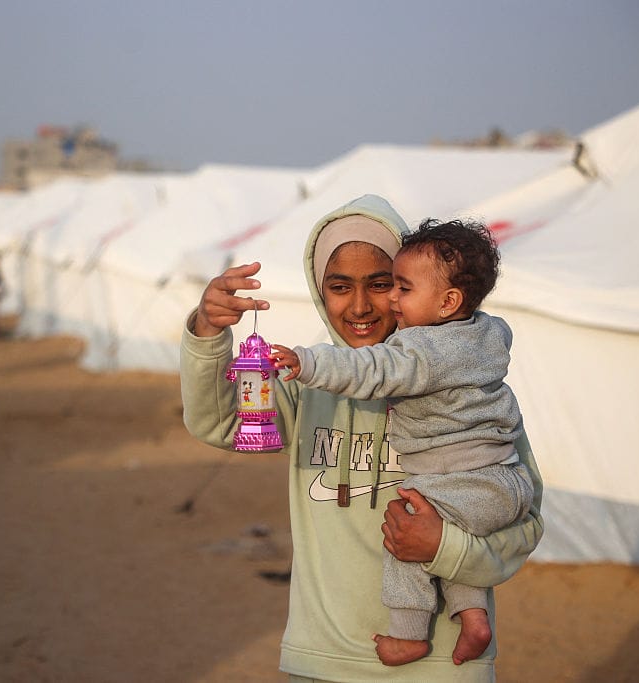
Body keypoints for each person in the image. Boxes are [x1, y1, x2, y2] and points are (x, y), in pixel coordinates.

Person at [180, 194, 544, 681]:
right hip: (323, 656)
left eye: (380, 284)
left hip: (442, 665)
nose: (359, 305)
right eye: (338, 286)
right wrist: (207, 332)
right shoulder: (307, 385)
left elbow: (525, 518)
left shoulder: (470, 393)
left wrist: (445, 547)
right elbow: (218, 422)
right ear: (319, 291)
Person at [270, 218, 534, 668]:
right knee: (451, 529)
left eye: (397, 287)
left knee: (406, 531)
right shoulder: (487, 335)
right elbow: (221, 425)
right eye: (338, 286)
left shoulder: (422, 352)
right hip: (501, 479)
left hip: (462, 481)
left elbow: (372, 370)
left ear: (448, 301)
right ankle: (473, 618)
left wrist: (308, 362)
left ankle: (409, 632)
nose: (388, 300)